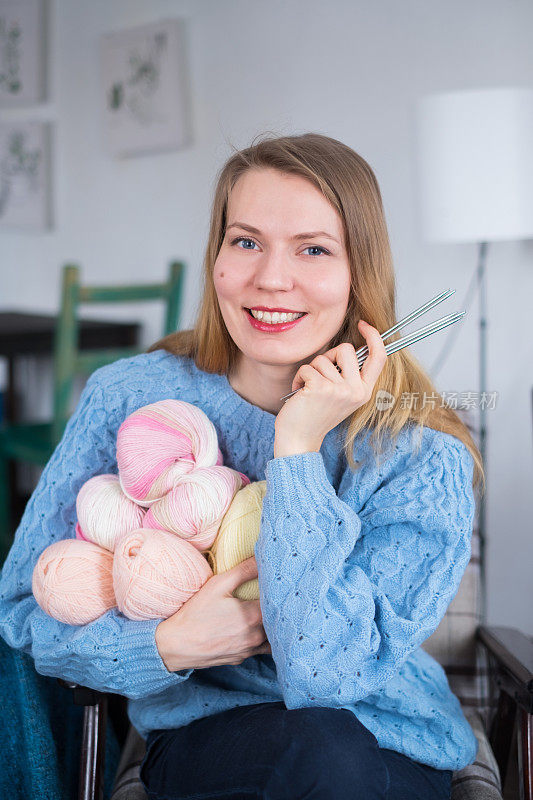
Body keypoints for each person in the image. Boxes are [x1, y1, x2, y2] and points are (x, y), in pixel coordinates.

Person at [0, 132, 484, 800]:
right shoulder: (131, 396)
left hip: (382, 739)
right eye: (246, 241)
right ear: (217, 255)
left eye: (312, 249)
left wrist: (295, 449)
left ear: (358, 273)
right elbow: (24, 608)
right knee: (313, 755)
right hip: (210, 734)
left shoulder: (418, 450)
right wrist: (166, 646)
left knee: (326, 750)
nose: (269, 279)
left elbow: (322, 676)